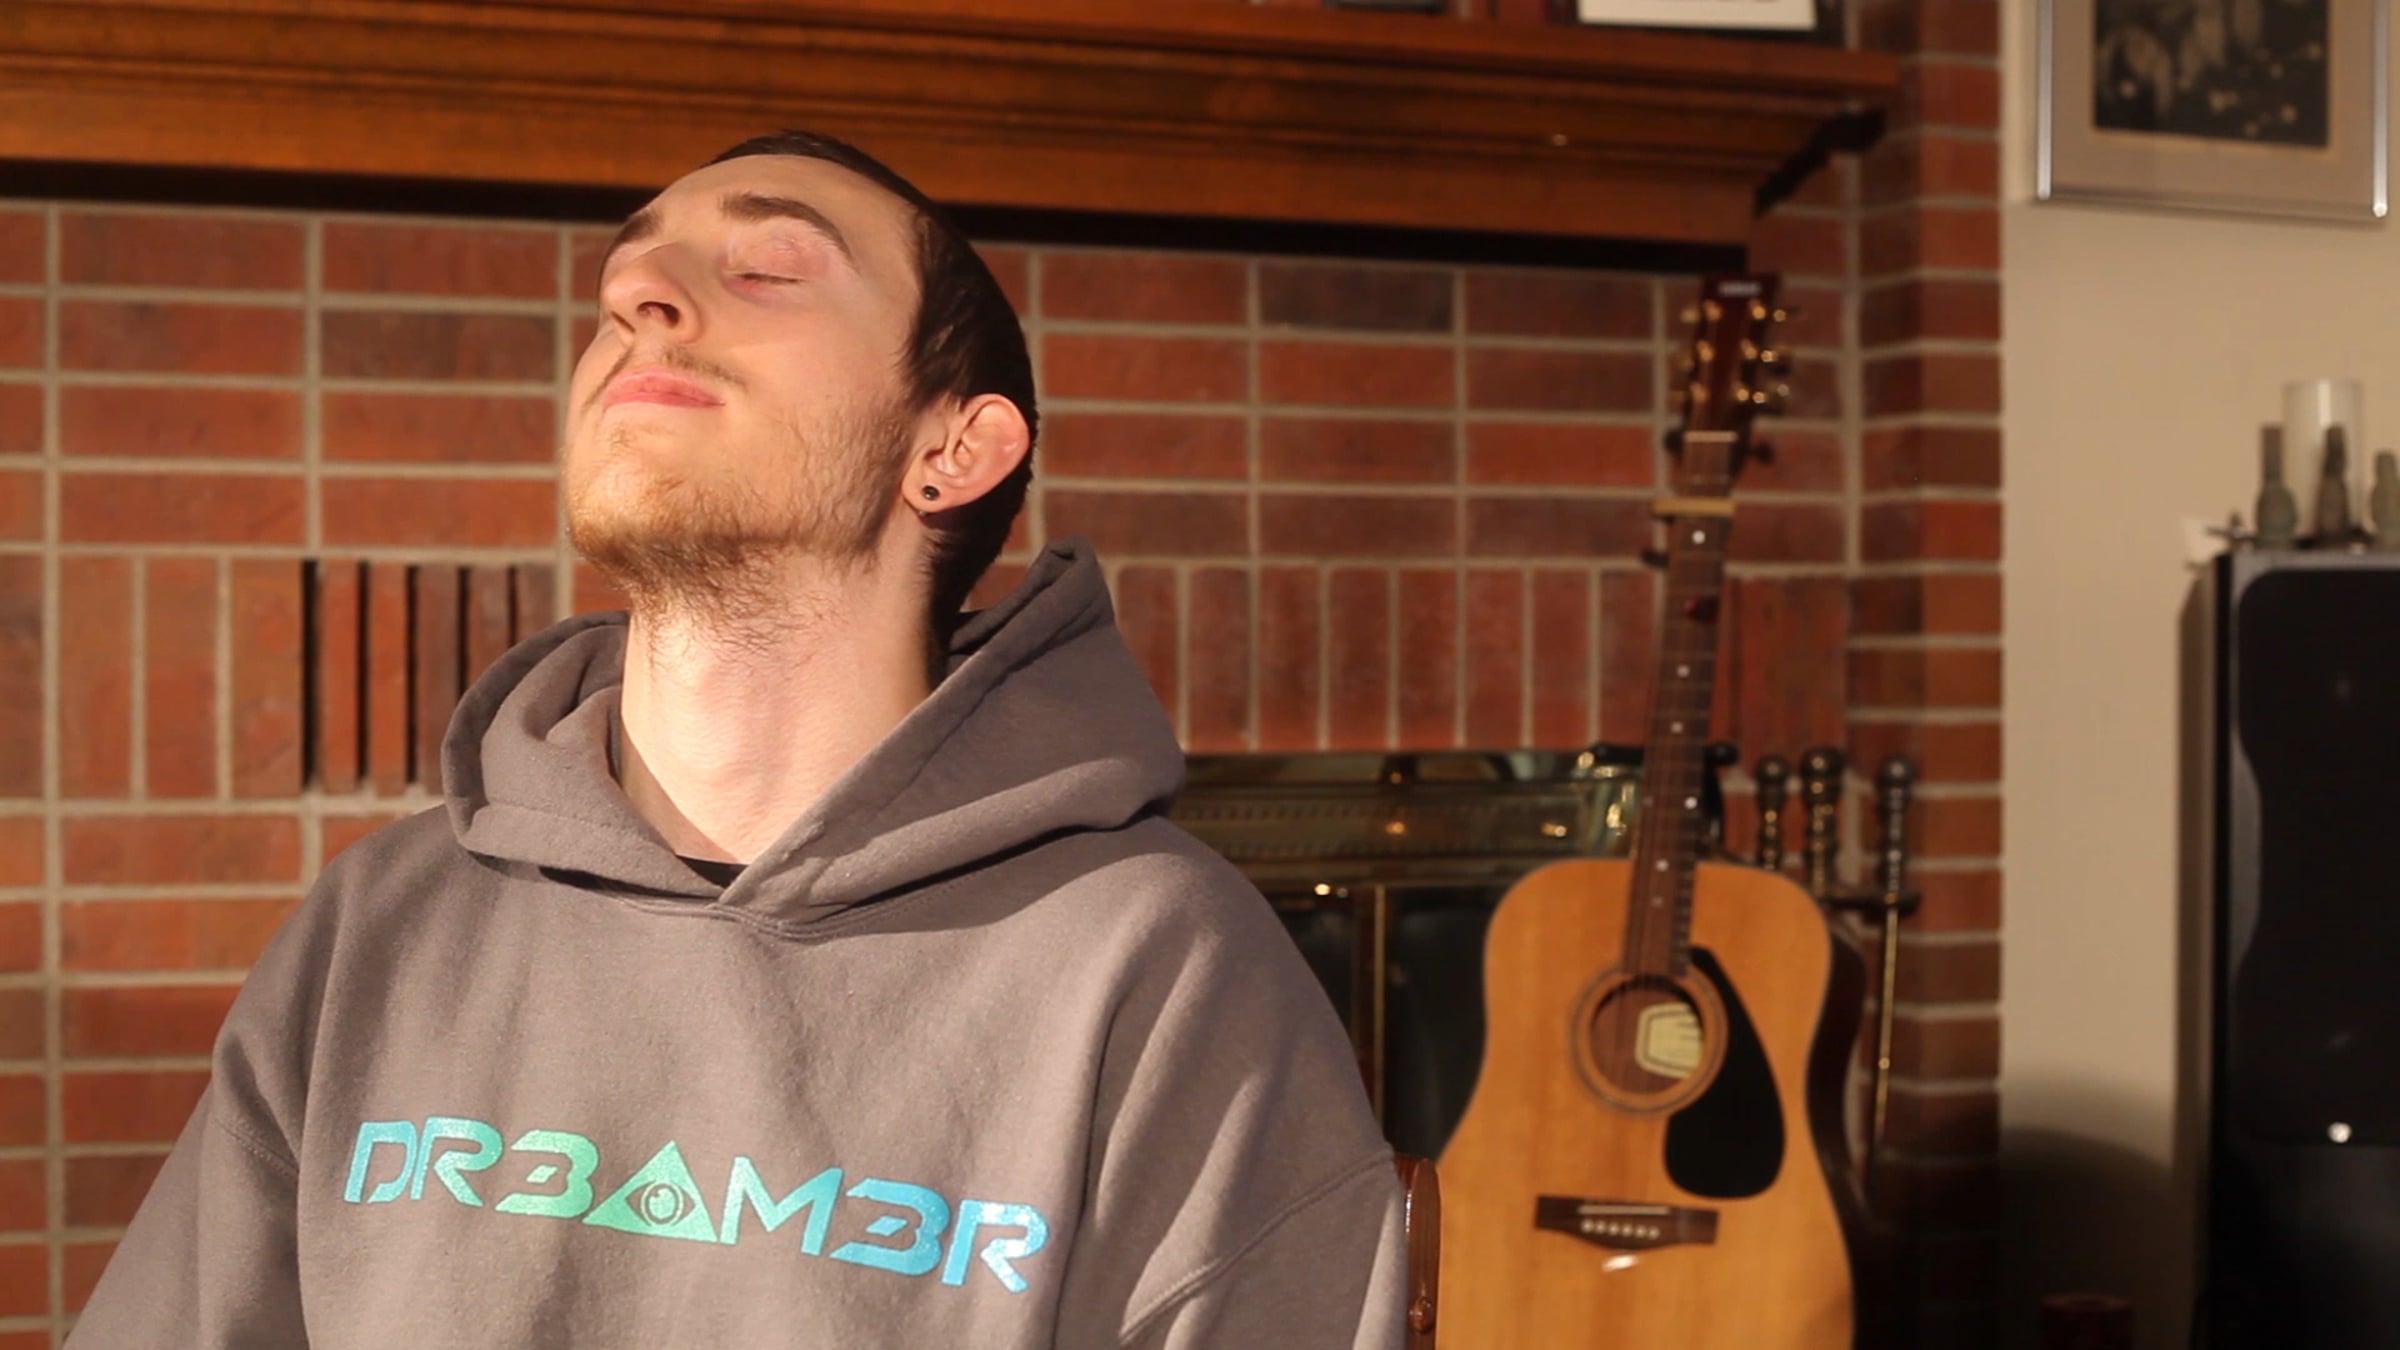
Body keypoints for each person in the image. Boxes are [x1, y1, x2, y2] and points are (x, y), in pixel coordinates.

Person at [70, 130, 1407, 1348]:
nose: (641, 296)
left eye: (769, 270)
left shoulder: (1159, 967)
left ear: (953, 448)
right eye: (623, 289)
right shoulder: (387, 921)